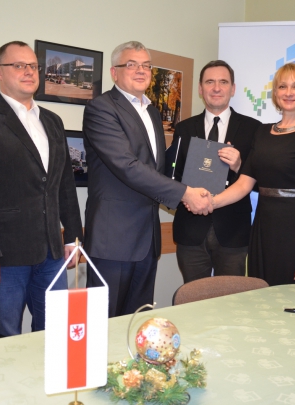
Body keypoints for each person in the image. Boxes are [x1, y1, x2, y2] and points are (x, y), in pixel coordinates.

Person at [0, 41, 83, 338]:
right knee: (5, 343)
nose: (28, 71)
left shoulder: (53, 121)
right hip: (4, 258)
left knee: (56, 336)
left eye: (33, 66)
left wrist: (73, 238)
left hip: (52, 254)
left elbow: (64, 185)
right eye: (18, 65)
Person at [82, 41, 212, 317]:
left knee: (138, 321)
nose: (140, 70)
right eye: (131, 64)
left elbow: (155, 166)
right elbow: (127, 166)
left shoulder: (151, 112)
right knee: (104, 322)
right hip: (113, 239)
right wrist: (185, 193)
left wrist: (208, 162)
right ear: (114, 72)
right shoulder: (101, 108)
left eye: (146, 65)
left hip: (147, 239)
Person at [206, 63, 295, 286]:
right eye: (282, 86)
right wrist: (210, 202)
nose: (288, 93)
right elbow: (244, 184)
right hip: (262, 231)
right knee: (260, 296)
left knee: (291, 301)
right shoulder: (262, 132)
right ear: (275, 92)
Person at [169, 60, 261, 283]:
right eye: (210, 82)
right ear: (201, 89)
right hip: (190, 231)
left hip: (233, 233)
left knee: (230, 299)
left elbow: (262, 183)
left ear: (233, 88)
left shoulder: (253, 129)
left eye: (223, 82)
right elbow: (173, 177)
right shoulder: (183, 128)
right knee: (193, 297)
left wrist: (239, 166)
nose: (216, 88)